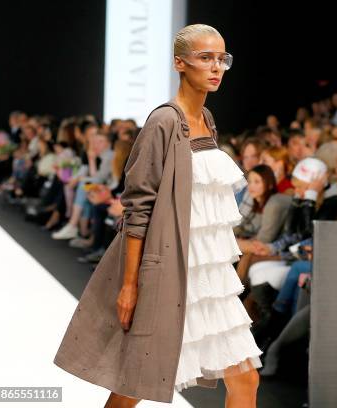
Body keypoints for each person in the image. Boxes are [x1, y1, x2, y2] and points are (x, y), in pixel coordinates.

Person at [54, 24, 261, 407]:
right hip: (171, 271)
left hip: (210, 276)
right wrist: (130, 285)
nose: (216, 67)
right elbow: (139, 206)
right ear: (179, 63)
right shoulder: (164, 121)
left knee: (246, 380)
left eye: (221, 59)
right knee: (135, 384)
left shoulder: (208, 120)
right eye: (205, 58)